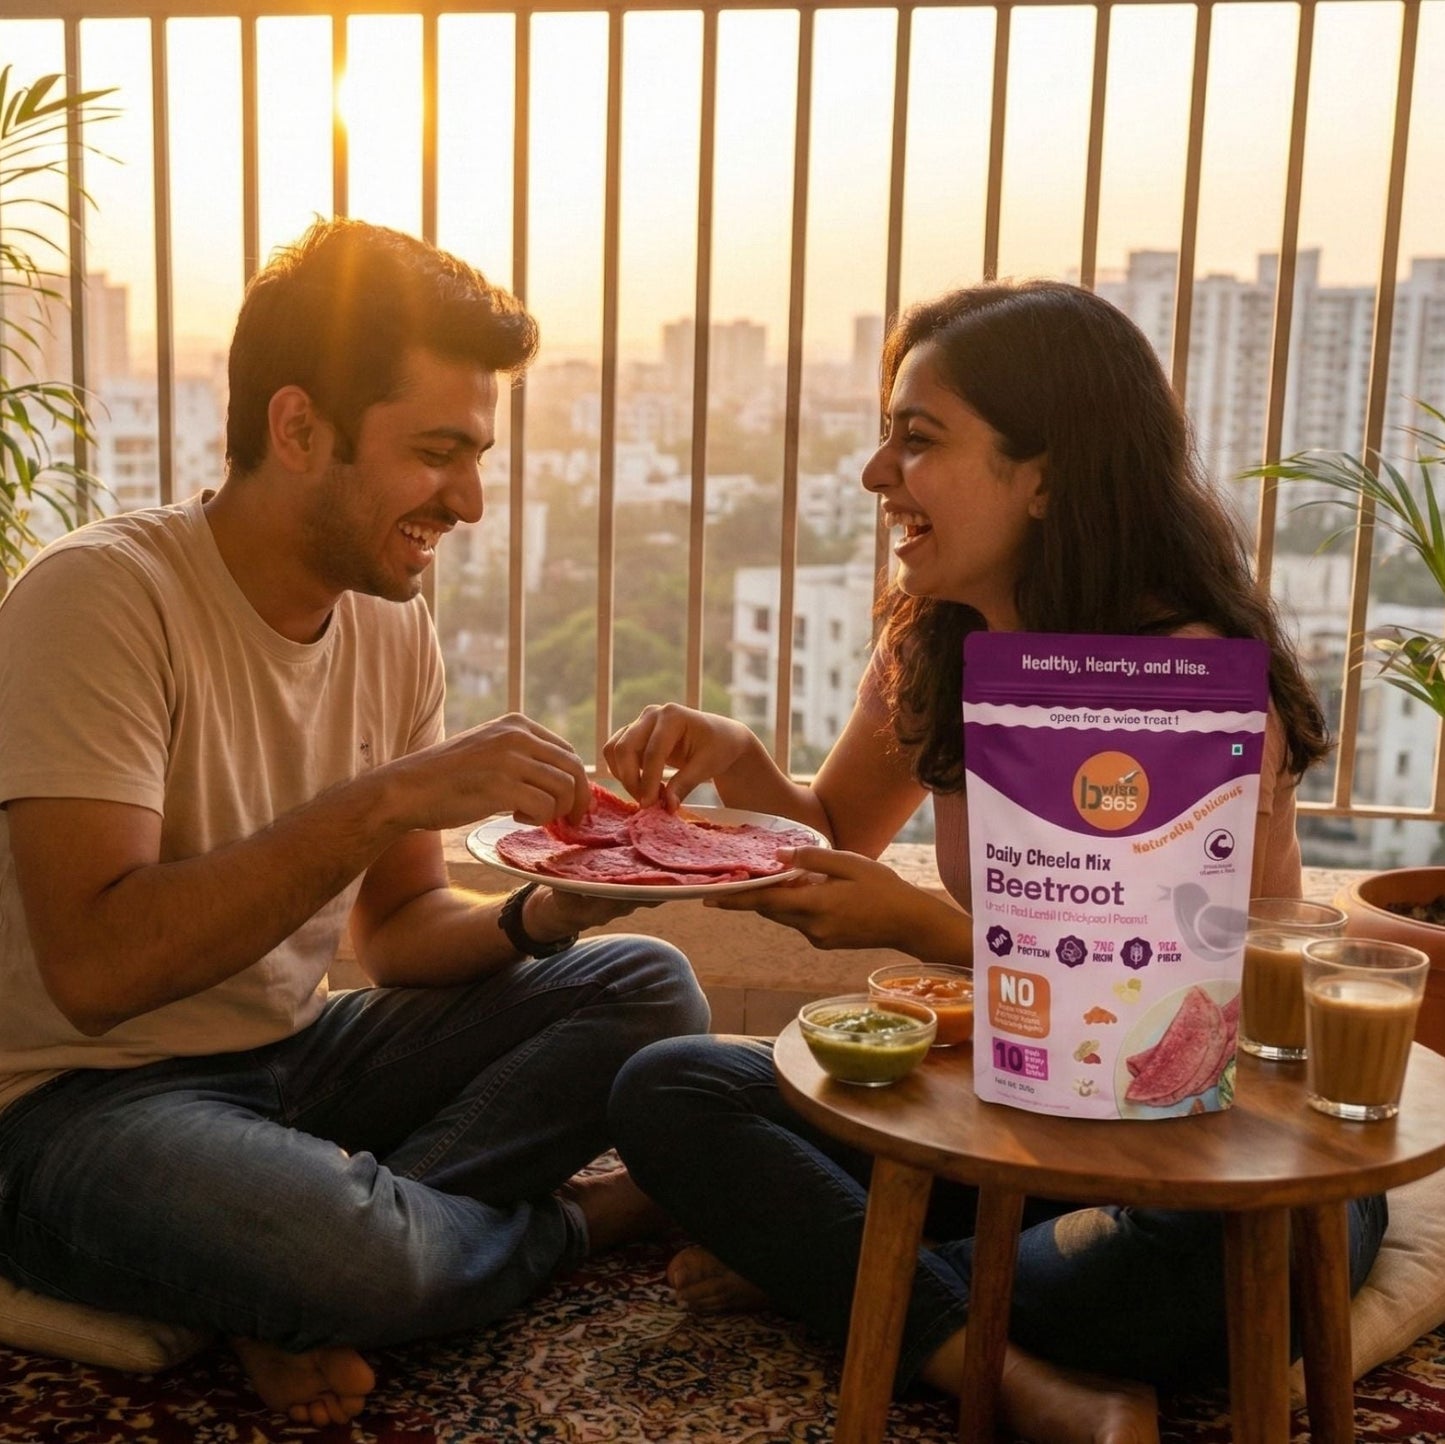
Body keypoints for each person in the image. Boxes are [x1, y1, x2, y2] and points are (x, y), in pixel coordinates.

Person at [604, 280, 1385, 1444]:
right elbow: (835, 833)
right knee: (669, 1087)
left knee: (1207, 1269)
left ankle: (838, 1269)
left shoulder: (1184, 677)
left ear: (1045, 476)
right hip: (1006, 1109)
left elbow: (1167, 991)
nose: (875, 473)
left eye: (916, 441)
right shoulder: (937, 638)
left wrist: (917, 925)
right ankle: (950, 1321)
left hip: (1199, 1142)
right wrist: (739, 759)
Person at [0, 219, 709, 1427]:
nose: (469, 500)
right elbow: (97, 971)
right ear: (297, 428)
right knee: (359, 1255)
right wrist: (386, 796)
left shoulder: (388, 618)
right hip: (75, 1107)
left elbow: (399, 929)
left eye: (476, 456)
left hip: (294, 1058)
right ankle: (561, 1224)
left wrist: (546, 912)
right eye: (437, 453)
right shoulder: (100, 599)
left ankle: (288, 1282)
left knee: (646, 988)